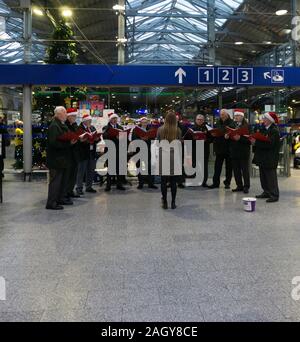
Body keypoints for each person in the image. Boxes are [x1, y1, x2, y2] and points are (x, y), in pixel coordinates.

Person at [46, 106, 76, 210]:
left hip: (61, 158)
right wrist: (68, 143)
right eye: (64, 113)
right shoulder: (54, 126)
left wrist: (70, 141)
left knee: (61, 181)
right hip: (56, 159)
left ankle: (59, 199)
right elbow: (54, 142)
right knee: (55, 182)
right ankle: (51, 203)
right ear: (58, 114)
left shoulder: (60, 125)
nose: (66, 115)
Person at [251, 112, 281, 203]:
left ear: (269, 120)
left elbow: (270, 145)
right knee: (263, 176)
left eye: (264, 118)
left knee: (271, 177)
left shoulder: (274, 130)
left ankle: (274, 194)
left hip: (270, 158)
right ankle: (266, 192)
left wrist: (256, 143)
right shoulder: (263, 129)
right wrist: (254, 142)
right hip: (262, 157)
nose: (263, 120)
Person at [157, 112, 182, 210]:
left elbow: (158, 143)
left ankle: (165, 202)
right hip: (174, 157)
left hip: (163, 157)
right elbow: (179, 144)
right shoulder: (178, 130)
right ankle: (173, 202)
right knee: (173, 182)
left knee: (163, 181)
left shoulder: (160, 129)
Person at [208, 109, 235, 189]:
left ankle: (227, 182)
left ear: (227, 114)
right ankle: (215, 183)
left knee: (229, 167)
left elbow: (231, 131)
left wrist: (223, 133)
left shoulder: (231, 122)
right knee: (217, 167)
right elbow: (217, 130)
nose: (222, 116)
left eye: (223, 114)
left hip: (228, 148)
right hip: (219, 147)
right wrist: (213, 134)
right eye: (221, 114)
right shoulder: (218, 122)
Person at [228, 110, 251, 194]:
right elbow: (230, 135)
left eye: (238, 116)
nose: (236, 117)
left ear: (242, 116)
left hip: (243, 151)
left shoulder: (247, 126)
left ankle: (246, 186)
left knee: (244, 170)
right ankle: (239, 185)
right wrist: (227, 136)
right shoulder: (232, 125)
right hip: (234, 151)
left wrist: (240, 138)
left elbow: (249, 140)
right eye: (235, 116)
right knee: (236, 170)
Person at [76, 113, 100, 195]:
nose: (90, 122)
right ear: (84, 121)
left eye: (90, 120)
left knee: (91, 170)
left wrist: (96, 139)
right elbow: (78, 140)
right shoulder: (79, 128)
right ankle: (79, 188)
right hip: (83, 152)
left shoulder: (92, 128)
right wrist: (85, 140)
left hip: (92, 152)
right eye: (88, 120)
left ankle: (89, 187)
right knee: (81, 171)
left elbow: (97, 138)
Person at [132, 117, 158, 190]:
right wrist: (141, 139)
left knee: (149, 167)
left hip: (148, 151)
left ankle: (151, 183)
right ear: (140, 122)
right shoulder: (135, 130)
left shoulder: (150, 130)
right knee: (139, 167)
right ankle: (141, 183)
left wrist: (148, 138)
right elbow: (133, 140)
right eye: (143, 122)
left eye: (146, 122)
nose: (144, 123)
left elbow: (153, 139)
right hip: (139, 151)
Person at [102, 113, 126, 192]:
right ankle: (108, 185)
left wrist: (121, 137)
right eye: (113, 118)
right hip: (110, 150)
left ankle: (119, 184)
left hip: (119, 150)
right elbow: (105, 137)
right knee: (110, 168)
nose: (115, 120)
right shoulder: (106, 128)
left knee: (119, 168)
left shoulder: (120, 127)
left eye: (116, 118)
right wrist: (114, 136)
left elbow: (124, 140)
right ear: (110, 120)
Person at [191, 114, 212, 187]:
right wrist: (194, 139)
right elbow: (188, 139)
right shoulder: (192, 128)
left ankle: (204, 181)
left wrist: (205, 140)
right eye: (198, 119)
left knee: (204, 166)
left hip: (204, 150)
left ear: (203, 120)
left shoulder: (208, 128)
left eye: (201, 120)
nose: (199, 121)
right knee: (195, 166)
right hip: (195, 150)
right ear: (196, 120)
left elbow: (211, 139)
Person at [65, 108, 81, 198]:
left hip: (75, 153)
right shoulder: (65, 126)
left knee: (73, 174)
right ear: (68, 116)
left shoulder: (75, 125)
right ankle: (66, 192)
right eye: (73, 116)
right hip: (68, 154)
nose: (75, 118)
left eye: (75, 116)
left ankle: (70, 190)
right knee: (68, 174)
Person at [0, 114, 10, 178]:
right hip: (1, 145)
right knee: (1, 159)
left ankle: (1, 172)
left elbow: (6, 135)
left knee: (1, 159)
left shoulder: (2, 126)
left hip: (1, 145)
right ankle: (1, 172)